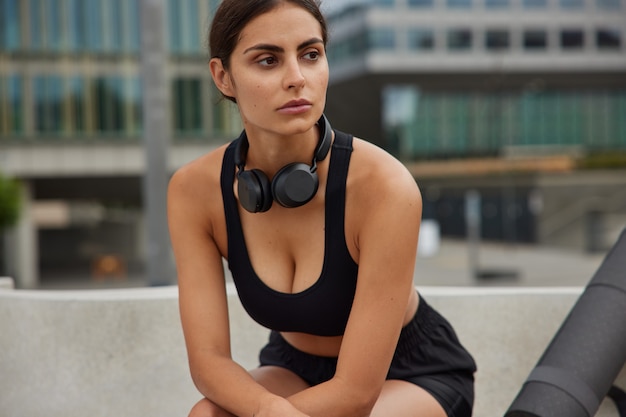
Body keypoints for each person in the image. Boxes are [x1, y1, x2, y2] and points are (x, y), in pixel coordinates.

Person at [167, 1, 477, 416]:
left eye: (310, 55)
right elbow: (209, 362)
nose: (297, 78)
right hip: (291, 365)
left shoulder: (384, 186)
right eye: (267, 60)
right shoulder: (194, 191)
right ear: (223, 77)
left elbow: (355, 394)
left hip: (410, 373)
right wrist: (264, 410)